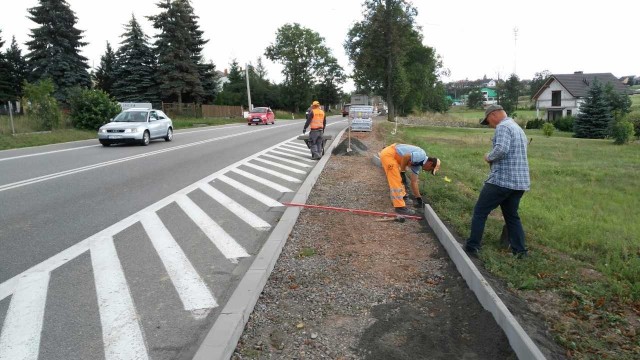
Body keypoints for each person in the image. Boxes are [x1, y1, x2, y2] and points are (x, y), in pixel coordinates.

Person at [465, 105, 530, 259]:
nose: (490, 125)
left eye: (488, 121)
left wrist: (488, 156)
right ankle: (520, 252)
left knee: (480, 212)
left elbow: (501, 150)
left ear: (493, 115)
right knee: (512, 216)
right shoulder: (517, 128)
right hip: (519, 183)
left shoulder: (502, 127)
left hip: (501, 180)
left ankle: (472, 246)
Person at [379, 143, 441, 215]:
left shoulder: (417, 164)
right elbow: (406, 157)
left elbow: (414, 182)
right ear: (430, 163)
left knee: (400, 179)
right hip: (389, 155)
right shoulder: (422, 155)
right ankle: (400, 207)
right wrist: (402, 172)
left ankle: (403, 196)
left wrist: (418, 198)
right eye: (430, 169)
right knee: (396, 180)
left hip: (393, 156)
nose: (428, 171)